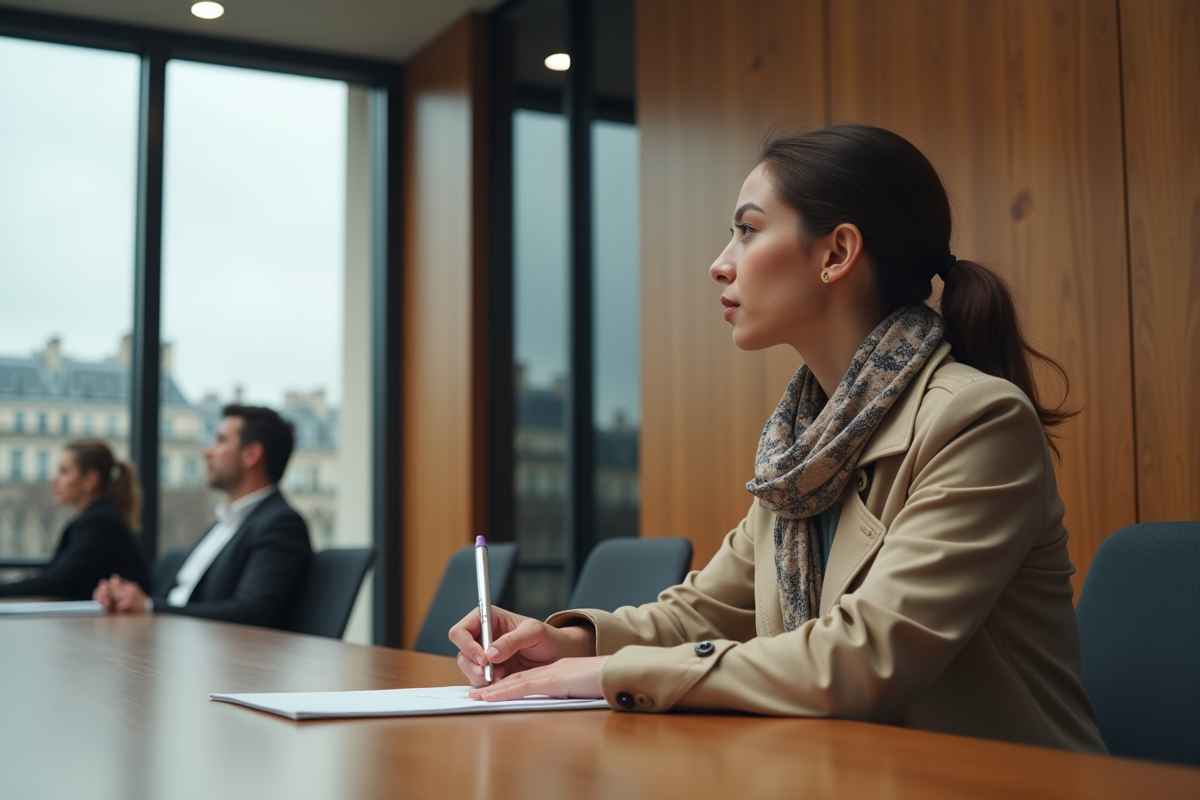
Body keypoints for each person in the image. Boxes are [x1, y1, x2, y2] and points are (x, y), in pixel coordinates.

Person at [450, 124, 1107, 753]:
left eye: (747, 230)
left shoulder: (977, 420)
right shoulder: (804, 447)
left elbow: (865, 657)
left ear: (837, 253)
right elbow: (704, 612)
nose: (719, 264)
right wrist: (566, 646)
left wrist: (606, 678)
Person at [94, 405, 312, 629]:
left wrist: (149, 607)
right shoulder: (225, 522)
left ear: (251, 455)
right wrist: (124, 597)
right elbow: (179, 597)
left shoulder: (280, 524)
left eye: (220, 440)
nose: (206, 452)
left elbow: (250, 612)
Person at [0, 439, 149, 599]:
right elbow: (53, 575)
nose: (54, 479)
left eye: (64, 471)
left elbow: (55, 582)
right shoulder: (90, 520)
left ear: (90, 480)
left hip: (127, 622)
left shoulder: (101, 523)